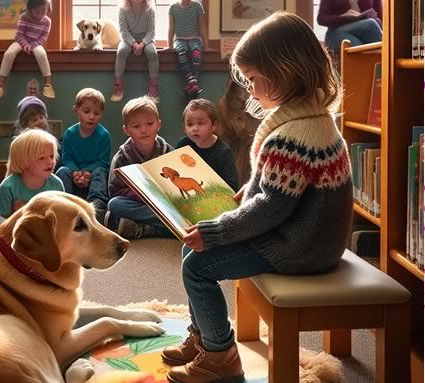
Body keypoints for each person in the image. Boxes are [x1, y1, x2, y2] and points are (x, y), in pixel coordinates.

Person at [162, 12, 353, 382]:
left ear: (283, 72)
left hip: (298, 247)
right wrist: (246, 193)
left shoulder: (294, 136)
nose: (249, 90)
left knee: (197, 266)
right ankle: (204, 337)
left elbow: (272, 206)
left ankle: (220, 358)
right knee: (193, 251)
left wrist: (218, 230)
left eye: (252, 80)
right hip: (308, 236)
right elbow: (278, 189)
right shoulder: (308, 119)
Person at [107, 96, 173, 239]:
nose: (144, 130)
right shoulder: (121, 158)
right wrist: (141, 194)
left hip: (166, 204)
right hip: (139, 206)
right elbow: (114, 192)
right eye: (136, 126)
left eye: (150, 123)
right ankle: (168, 228)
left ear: (158, 124)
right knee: (115, 205)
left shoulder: (169, 152)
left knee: (186, 211)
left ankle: (145, 229)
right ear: (126, 130)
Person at [0, 129, 64, 229]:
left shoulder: (56, 184)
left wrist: (28, 210)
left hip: (46, 230)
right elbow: (3, 220)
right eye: (42, 158)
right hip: (16, 229)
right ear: (23, 161)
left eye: (51, 156)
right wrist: (16, 214)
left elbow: (60, 216)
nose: (50, 162)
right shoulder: (8, 187)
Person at [56, 88, 111, 223]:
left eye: (96, 113)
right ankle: (65, 205)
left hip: (92, 175)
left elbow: (103, 162)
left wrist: (86, 172)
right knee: (62, 171)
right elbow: (66, 158)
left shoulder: (104, 135)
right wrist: (76, 173)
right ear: (76, 110)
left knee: (100, 172)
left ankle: (97, 209)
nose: (91, 116)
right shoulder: (70, 133)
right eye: (86, 112)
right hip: (74, 174)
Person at [0, 0, 56, 99]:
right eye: (37, 12)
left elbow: (43, 37)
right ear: (30, 10)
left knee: (42, 54)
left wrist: (33, 45)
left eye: (44, 10)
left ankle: (48, 84)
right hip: (21, 41)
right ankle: (1, 84)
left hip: (36, 43)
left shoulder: (47, 21)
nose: (41, 14)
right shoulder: (24, 17)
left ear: (47, 8)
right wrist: (25, 45)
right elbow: (19, 35)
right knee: (9, 53)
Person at [176, 98, 239, 190]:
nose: (195, 128)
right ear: (184, 128)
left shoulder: (223, 152)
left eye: (200, 123)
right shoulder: (183, 145)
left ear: (213, 126)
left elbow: (233, 186)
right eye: (190, 124)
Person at [111, 0, 159, 103]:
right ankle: (118, 85)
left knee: (152, 53)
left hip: (146, 39)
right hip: (128, 38)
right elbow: (123, 31)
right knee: (121, 52)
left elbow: (151, 31)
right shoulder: (123, 9)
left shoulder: (150, 9)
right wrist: (133, 44)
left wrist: (142, 44)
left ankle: (153, 86)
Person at [167, 0, 208, 97]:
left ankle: (192, 85)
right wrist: (170, 46)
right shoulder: (173, 7)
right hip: (180, 39)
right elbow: (171, 28)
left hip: (195, 38)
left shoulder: (197, 6)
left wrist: (206, 46)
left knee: (196, 53)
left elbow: (202, 27)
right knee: (181, 53)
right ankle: (193, 84)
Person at [317, 0, 382, 52]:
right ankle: (386, 61)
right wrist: (342, 17)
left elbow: (380, 17)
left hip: (364, 31)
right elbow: (321, 19)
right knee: (371, 24)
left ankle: (385, 62)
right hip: (336, 31)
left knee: (373, 23)